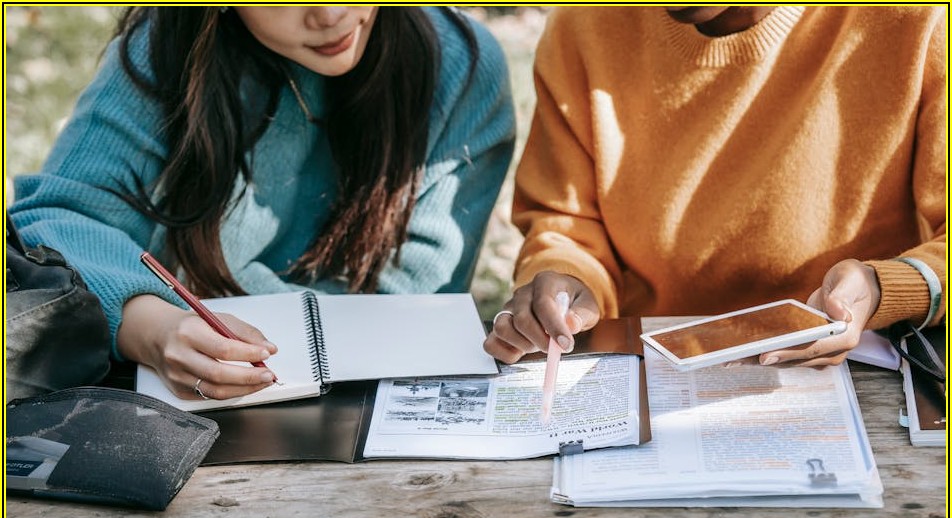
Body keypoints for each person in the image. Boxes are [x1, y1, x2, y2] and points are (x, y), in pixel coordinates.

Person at [9, 7, 515, 400]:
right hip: (172, 409)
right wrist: (151, 327)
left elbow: (416, 303)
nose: (329, 15)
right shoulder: (168, 48)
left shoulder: (462, 67)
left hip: (371, 410)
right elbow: (56, 219)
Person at [485, 6, 945, 368]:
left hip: (862, 372)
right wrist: (566, 280)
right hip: (650, 367)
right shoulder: (583, 26)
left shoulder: (917, 20)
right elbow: (566, 223)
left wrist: (885, 288)